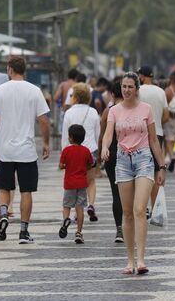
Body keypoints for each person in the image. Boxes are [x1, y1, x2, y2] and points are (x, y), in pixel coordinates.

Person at [101, 72, 166, 275]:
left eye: (130, 86)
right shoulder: (114, 111)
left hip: (144, 160)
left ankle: (141, 259)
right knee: (127, 212)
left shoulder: (146, 109)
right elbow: (108, 133)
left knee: (139, 209)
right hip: (122, 161)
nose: (126, 90)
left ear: (137, 89)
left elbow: (154, 140)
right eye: (124, 87)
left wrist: (161, 166)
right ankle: (130, 260)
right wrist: (104, 148)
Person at [0, 56, 51, 244]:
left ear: (9, 70)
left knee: (4, 187)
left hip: (6, 149)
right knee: (26, 191)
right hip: (27, 151)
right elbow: (44, 120)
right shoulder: (34, 91)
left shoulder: (0, 90)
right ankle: (24, 231)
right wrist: (46, 143)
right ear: (24, 70)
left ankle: (5, 213)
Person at [61, 82, 101, 222]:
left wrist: (64, 154)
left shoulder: (69, 113)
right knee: (90, 181)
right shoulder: (93, 112)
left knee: (76, 182)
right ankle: (91, 204)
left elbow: (65, 135)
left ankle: (77, 213)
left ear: (75, 96)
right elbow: (98, 134)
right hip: (90, 150)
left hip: (73, 152)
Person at [137, 66, 169, 215]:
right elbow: (166, 116)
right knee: (156, 171)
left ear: (142, 76)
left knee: (142, 171)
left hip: (140, 135)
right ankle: (156, 207)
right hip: (158, 134)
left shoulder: (138, 91)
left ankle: (143, 207)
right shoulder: (161, 91)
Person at [99, 76, 125, 243]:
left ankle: (119, 229)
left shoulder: (108, 111)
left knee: (116, 192)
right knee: (131, 193)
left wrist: (100, 154)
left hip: (112, 155)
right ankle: (130, 224)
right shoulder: (131, 109)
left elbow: (102, 135)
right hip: (129, 154)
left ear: (112, 94)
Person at [58, 124, 94, 244]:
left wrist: (65, 166)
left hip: (69, 184)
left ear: (71, 138)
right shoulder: (86, 151)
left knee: (67, 205)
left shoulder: (66, 150)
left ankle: (66, 219)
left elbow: (61, 165)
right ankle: (79, 232)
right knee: (80, 208)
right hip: (82, 183)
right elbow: (90, 164)